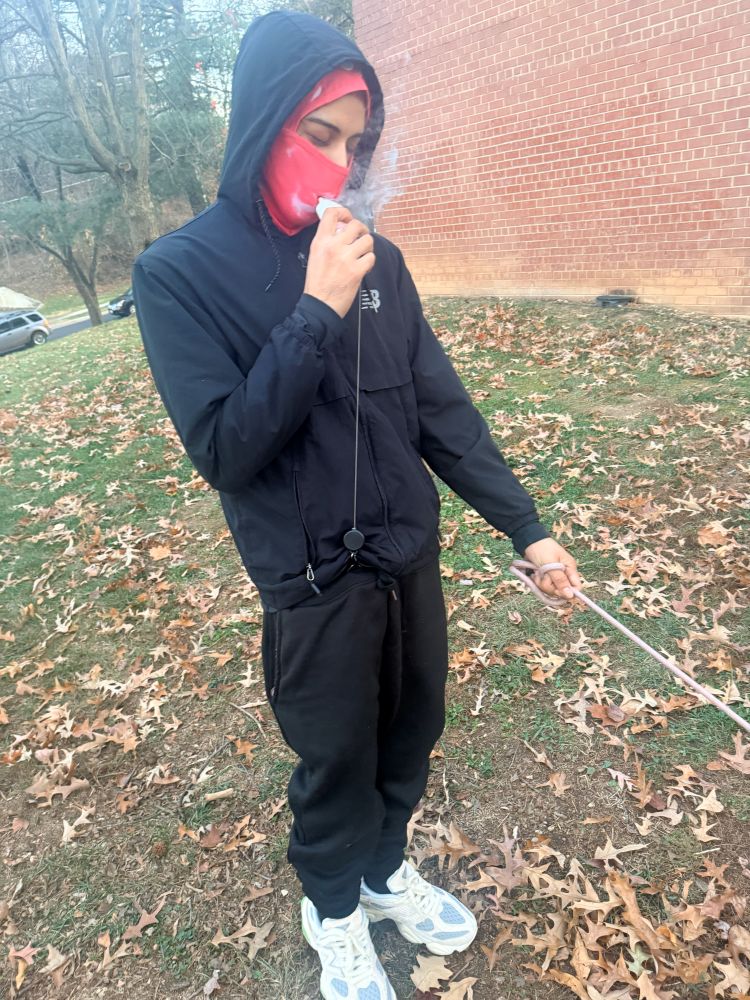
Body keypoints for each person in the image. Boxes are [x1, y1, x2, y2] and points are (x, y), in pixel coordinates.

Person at [132, 11, 581, 1000]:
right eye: (319, 134)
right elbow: (227, 449)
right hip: (312, 581)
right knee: (337, 757)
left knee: (411, 732)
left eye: (357, 142)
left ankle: (383, 874)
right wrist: (315, 309)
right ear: (263, 122)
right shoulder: (178, 273)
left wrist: (529, 527)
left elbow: (440, 411)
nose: (342, 163)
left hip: (404, 555)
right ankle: (333, 910)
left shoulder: (379, 257)